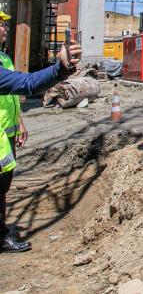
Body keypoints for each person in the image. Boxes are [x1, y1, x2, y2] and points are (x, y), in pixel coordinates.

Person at [0, 33, 82, 253]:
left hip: (5, 136)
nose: (4, 29)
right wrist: (60, 69)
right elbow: (28, 84)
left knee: (2, 188)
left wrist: (19, 123)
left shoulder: (2, 59)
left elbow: (18, 90)